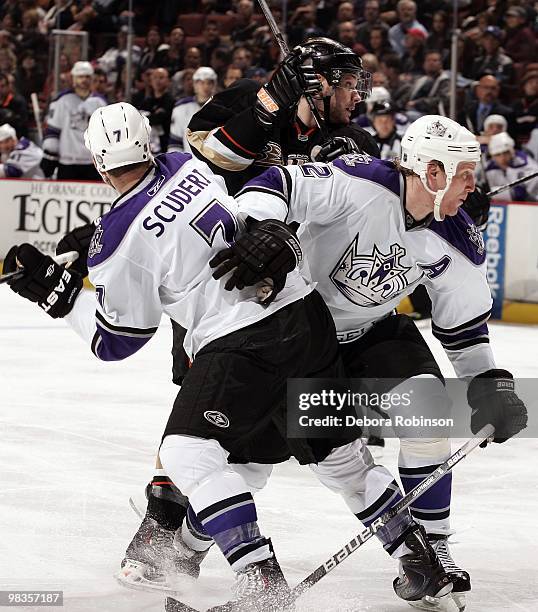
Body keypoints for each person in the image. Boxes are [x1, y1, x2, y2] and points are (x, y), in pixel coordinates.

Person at [5, 102, 452, 612]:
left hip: (243, 342)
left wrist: (60, 299)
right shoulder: (184, 165)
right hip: (306, 316)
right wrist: (96, 243)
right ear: (148, 141)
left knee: (187, 453)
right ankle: (420, 562)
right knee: (340, 458)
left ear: (99, 165)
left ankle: (258, 578)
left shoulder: (118, 241)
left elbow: (117, 340)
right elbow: (186, 208)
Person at [216, 115, 527, 611]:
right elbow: (275, 183)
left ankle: (432, 549)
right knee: (248, 456)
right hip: (296, 332)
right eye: (465, 172)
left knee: (428, 412)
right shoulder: (358, 182)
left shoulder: (458, 238)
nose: (474, 184)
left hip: (375, 332)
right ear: (430, 170)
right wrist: (263, 227)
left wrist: (488, 382)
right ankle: (177, 536)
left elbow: (464, 329)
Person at [186, 38, 378, 195]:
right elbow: (206, 162)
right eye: (349, 85)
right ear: (319, 84)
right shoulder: (248, 97)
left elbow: (372, 209)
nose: (358, 97)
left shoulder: (357, 142)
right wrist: (264, 110)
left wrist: (354, 174)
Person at [41, 61, 106, 180]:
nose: (84, 80)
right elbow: (53, 131)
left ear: (92, 79)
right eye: (80, 77)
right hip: (67, 162)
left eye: (87, 77)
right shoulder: (61, 101)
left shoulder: (100, 102)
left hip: (93, 163)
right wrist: (50, 157)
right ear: (73, 79)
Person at [168, 66, 217, 153]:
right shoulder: (181, 107)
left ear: (214, 85)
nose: (205, 86)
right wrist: (175, 163)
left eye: (209, 83)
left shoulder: (223, 108)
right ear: (194, 84)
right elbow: (175, 142)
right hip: (188, 161)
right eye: (201, 82)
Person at [485, 132, 538, 202]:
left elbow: (524, 194)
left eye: (505, 152)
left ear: (512, 151)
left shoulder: (526, 164)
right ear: (492, 156)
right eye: (498, 154)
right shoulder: (488, 169)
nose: (502, 157)